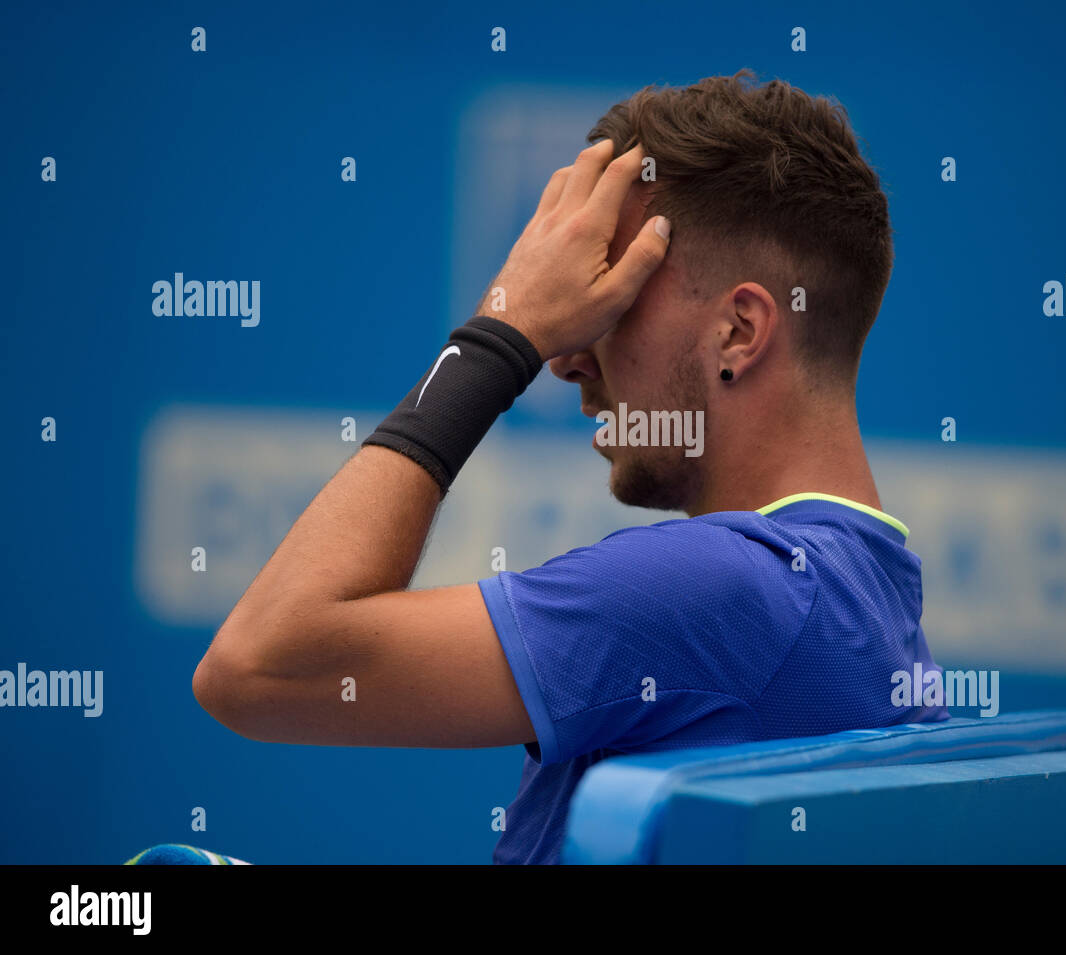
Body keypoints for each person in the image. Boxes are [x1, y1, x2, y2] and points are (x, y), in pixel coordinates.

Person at [192, 70, 949, 864]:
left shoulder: (722, 589)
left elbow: (258, 663)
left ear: (739, 330)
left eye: (611, 296)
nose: (567, 358)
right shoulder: (872, 590)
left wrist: (501, 333)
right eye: (572, 297)